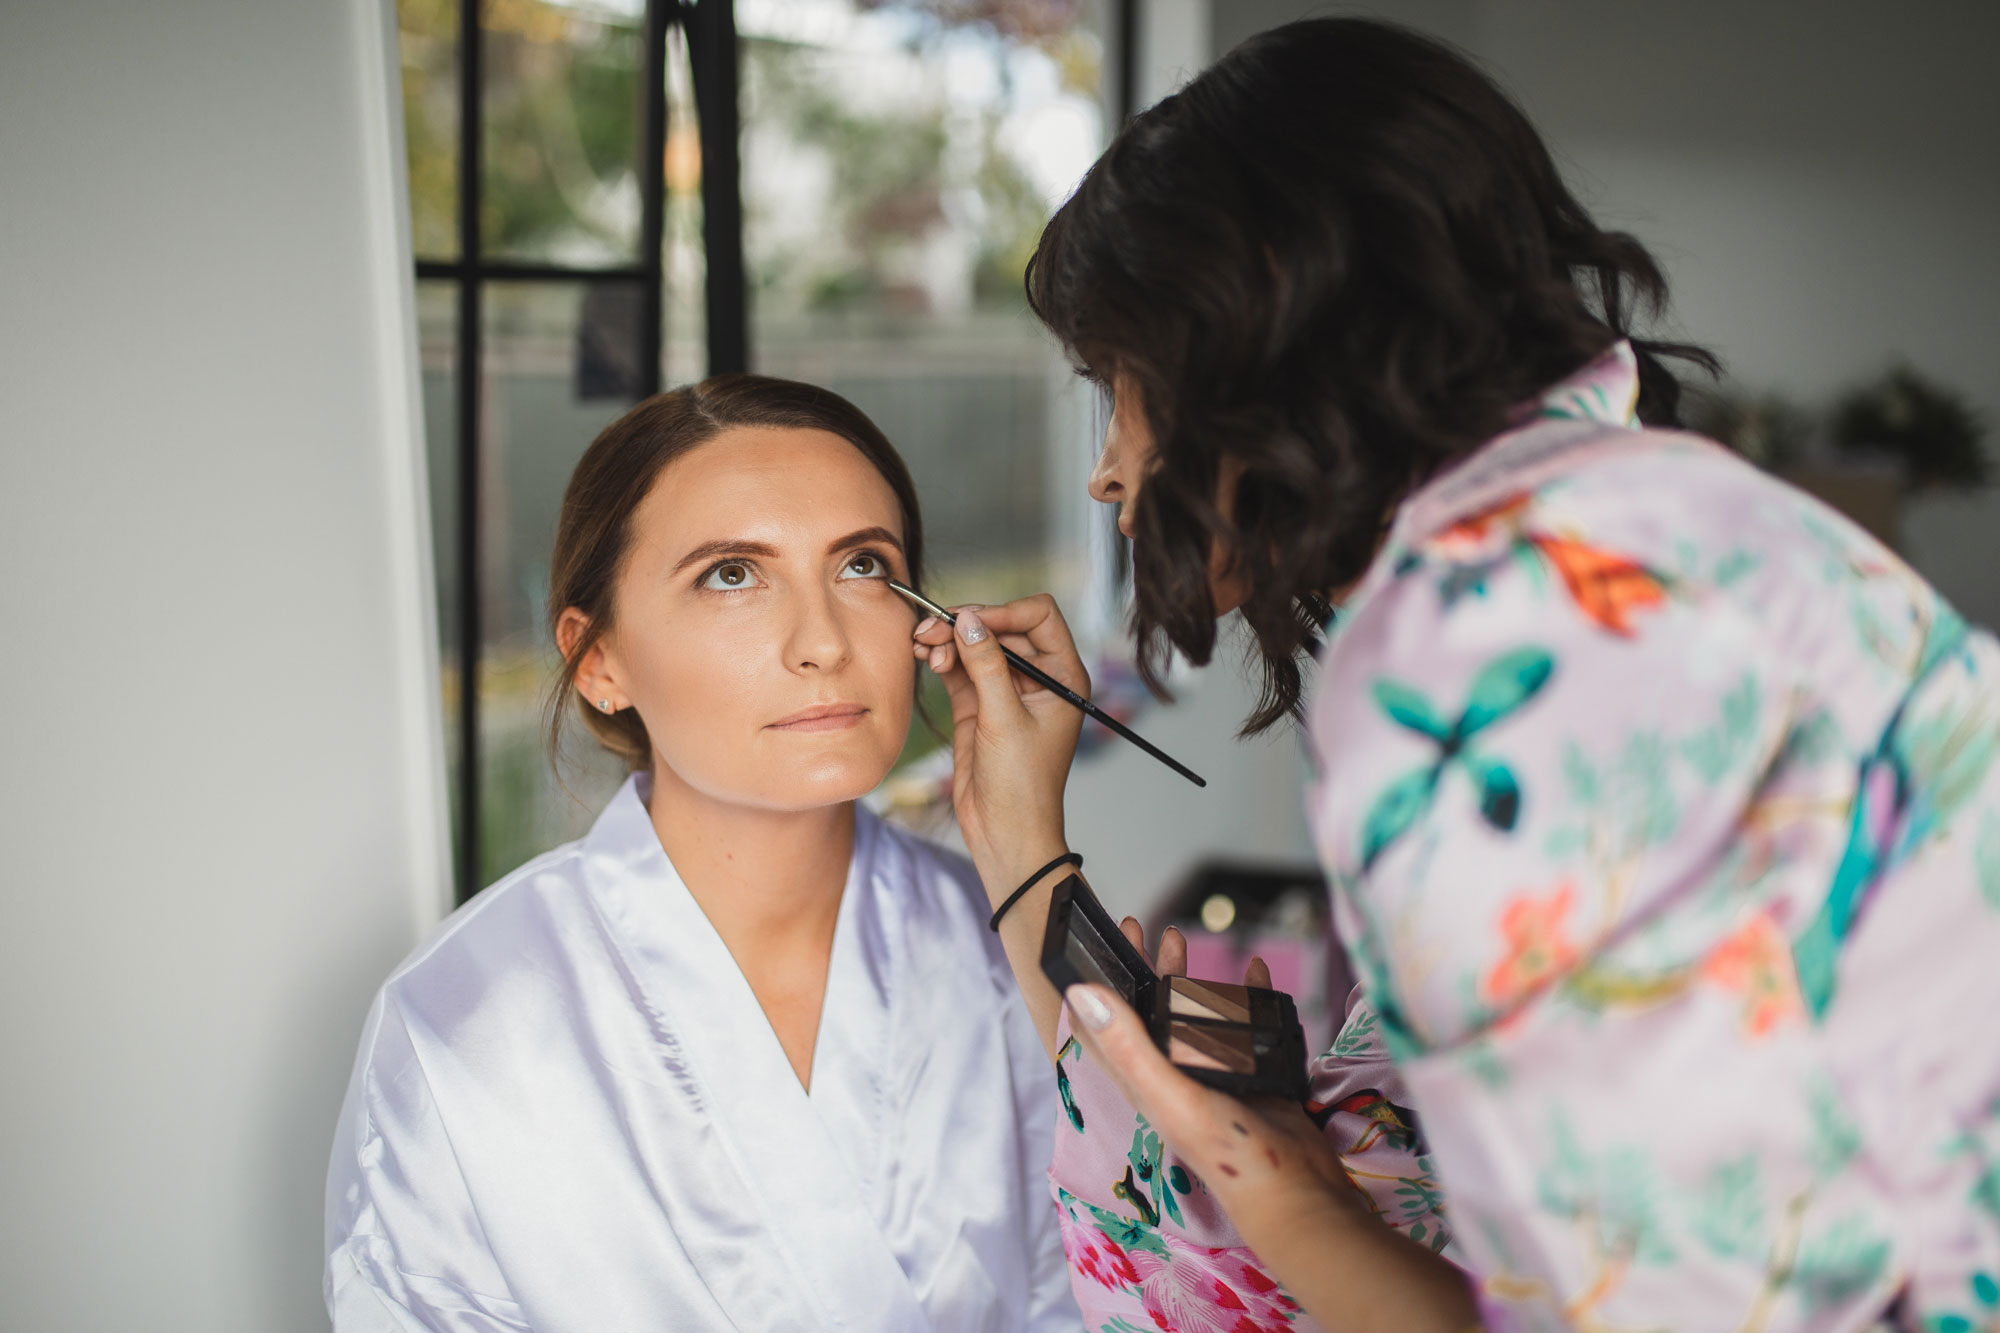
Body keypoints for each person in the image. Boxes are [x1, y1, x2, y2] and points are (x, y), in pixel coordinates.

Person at [912, 17, 2000, 1331]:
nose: (1108, 464)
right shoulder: (1659, 514)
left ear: (1240, 328)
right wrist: (1023, 842)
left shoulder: (1486, 647)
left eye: (1116, 384)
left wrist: (1294, 1204)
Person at [324, 376, 1078, 1332]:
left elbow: (1110, 1291)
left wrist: (1031, 858)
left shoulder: (1012, 941)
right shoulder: (460, 1022)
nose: (823, 643)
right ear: (599, 660)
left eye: (862, 567)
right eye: (732, 573)